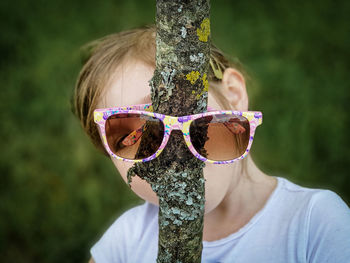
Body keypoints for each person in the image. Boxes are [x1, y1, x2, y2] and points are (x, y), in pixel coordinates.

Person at [72, 25, 350, 263]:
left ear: (233, 95)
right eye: (130, 136)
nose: (168, 151)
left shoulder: (315, 224)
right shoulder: (125, 244)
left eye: (176, 106)